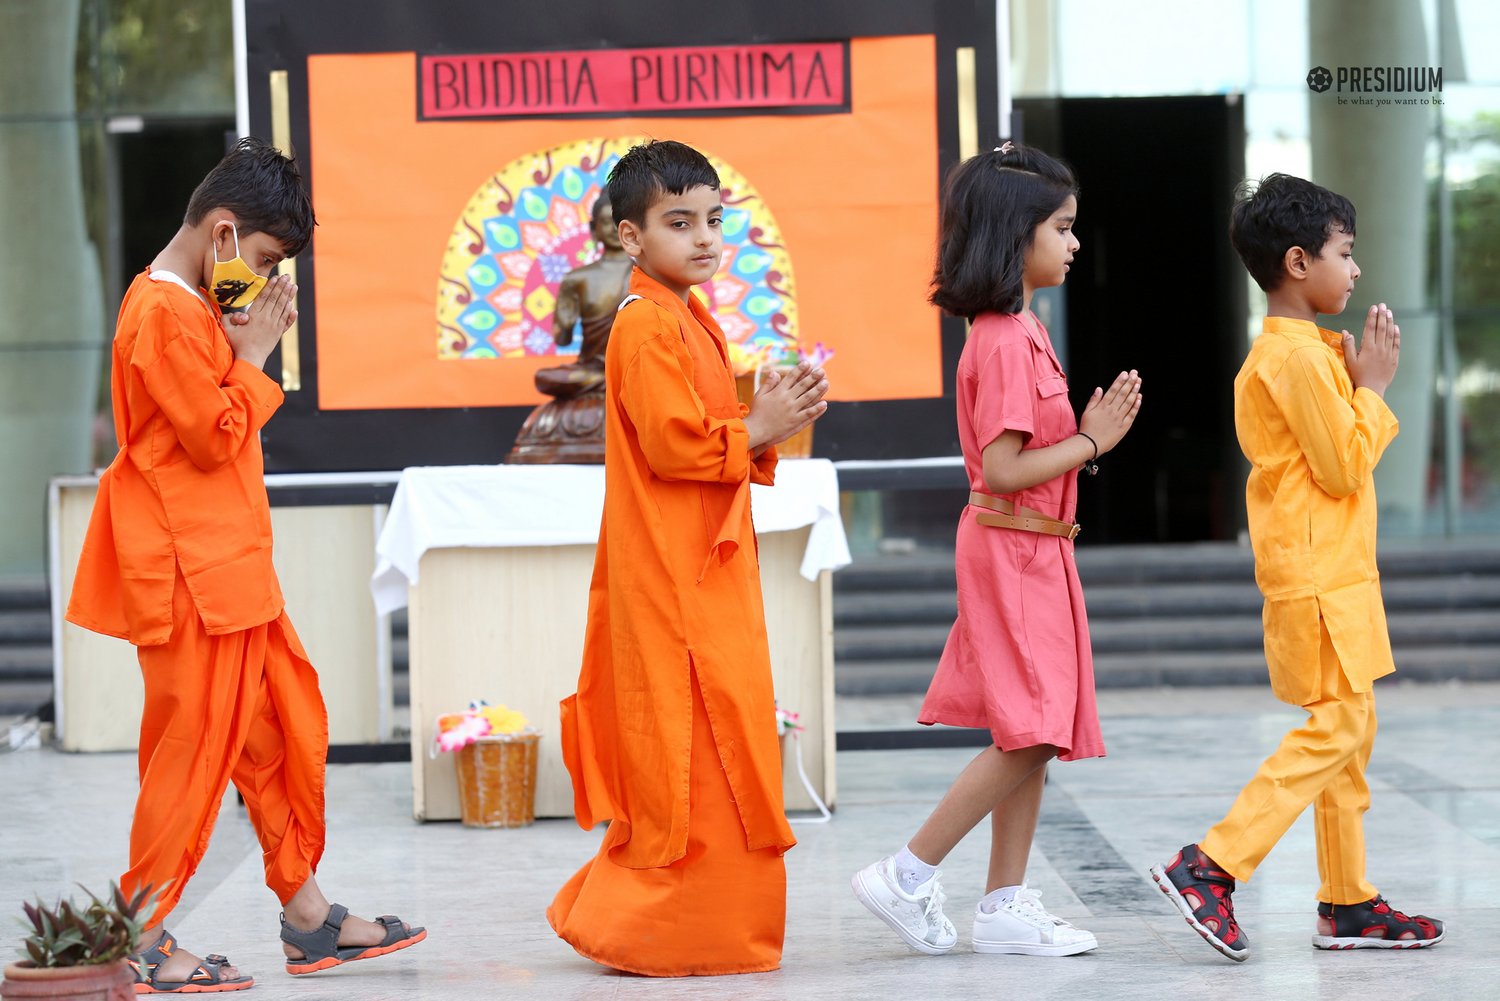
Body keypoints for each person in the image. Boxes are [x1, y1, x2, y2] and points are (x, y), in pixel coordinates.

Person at [65, 137, 424, 993]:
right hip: (192, 578)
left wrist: (236, 337)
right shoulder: (160, 312)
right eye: (263, 260)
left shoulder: (194, 306)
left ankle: (308, 918)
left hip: (232, 570)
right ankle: (138, 934)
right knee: (189, 758)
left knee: (278, 736)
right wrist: (255, 357)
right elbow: (211, 433)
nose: (265, 281)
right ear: (222, 232)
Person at [546, 139, 829, 976]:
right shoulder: (640, 321)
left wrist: (762, 411)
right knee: (691, 755)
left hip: (703, 568)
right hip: (672, 578)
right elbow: (674, 447)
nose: (705, 238)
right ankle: (655, 930)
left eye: (713, 219)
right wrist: (761, 425)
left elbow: (705, 428)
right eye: (679, 222)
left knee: (725, 738)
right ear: (629, 237)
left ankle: (715, 928)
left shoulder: (686, 315)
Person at [851, 143, 1141, 957]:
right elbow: (1007, 467)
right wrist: (1092, 438)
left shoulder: (1018, 326)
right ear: (1017, 234)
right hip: (1015, 548)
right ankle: (907, 872)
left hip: (1035, 548)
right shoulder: (1007, 340)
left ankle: (1005, 902)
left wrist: (1084, 436)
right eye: (1063, 226)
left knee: (1034, 725)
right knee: (1034, 729)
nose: (1075, 242)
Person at [1149, 172, 1443, 961]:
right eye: (1345, 253)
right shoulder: (1299, 362)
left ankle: (1347, 901)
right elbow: (1347, 467)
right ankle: (1210, 863)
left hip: (1330, 573)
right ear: (1297, 262)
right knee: (1338, 727)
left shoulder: (1308, 356)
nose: (1354, 270)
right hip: (1318, 578)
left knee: (1351, 736)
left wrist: (1354, 382)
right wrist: (1374, 390)